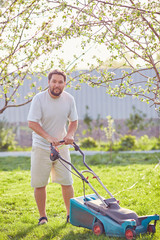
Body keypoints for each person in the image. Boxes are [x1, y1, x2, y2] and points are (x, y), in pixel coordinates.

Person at [27, 69, 78, 225]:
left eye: (60, 82)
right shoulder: (39, 99)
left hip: (61, 147)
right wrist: (49, 138)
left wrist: (69, 135)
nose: (57, 84)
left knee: (67, 182)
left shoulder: (69, 99)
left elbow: (74, 121)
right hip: (42, 146)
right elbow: (32, 123)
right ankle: (43, 217)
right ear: (48, 82)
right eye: (54, 81)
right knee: (39, 183)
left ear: (64, 83)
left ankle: (71, 216)